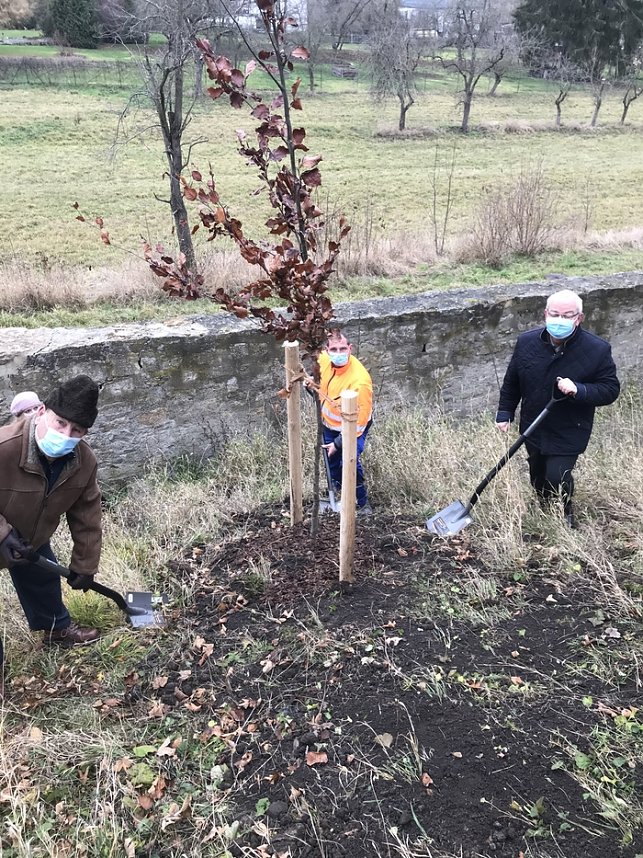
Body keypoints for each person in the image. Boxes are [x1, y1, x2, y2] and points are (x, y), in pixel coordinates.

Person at [0, 375, 103, 679]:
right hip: (6, 531)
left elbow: (87, 514)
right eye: (61, 423)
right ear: (42, 411)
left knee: (42, 577)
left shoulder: (83, 463)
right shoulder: (5, 447)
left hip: (31, 538)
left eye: (77, 430)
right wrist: (3, 533)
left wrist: (85, 565)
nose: (66, 434)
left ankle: (55, 628)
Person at [495, 289, 620, 527]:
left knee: (557, 474)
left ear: (579, 318)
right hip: (534, 423)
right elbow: (513, 380)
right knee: (537, 472)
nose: (559, 319)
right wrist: (505, 412)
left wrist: (579, 389)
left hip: (571, 426)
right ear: (545, 314)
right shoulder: (527, 342)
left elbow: (610, 389)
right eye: (555, 314)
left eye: (567, 315)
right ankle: (544, 505)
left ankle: (565, 511)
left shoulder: (597, 349)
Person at [318, 329, 374, 514]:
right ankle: (337, 491)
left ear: (350, 348)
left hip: (354, 427)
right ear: (327, 350)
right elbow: (318, 374)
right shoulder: (325, 360)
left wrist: (338, 442)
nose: (339, 353)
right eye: (334, 349)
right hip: (329, 424)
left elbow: (359, 423)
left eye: (343, 349)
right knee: (331, 459)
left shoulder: (360, 381)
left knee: (348, 462)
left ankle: (362, 503)